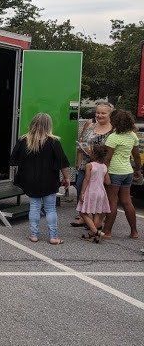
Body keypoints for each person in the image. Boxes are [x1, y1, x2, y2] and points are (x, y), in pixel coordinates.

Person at [9, 113, 70, 245]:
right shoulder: (54, 141)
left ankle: (33, 235)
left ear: (32, 124)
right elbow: (63, 163)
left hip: (30, 180)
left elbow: (13, 161)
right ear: (49, 125)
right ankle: (53, 237)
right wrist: (67, 178)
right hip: (49, 180)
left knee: (34, 207)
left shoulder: (23, 140)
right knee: (50, 209)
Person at [100, 110, 141, 239]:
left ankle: (107, 231)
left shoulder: (113, 137)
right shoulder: (132, 136)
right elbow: (136, 156)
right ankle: (134, 231)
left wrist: (103, 172)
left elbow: (107, 158)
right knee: (127, 201)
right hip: (127, 171)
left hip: (114, 171)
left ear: (116, 122)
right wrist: (138, 170)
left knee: (112, 201)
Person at [72, 101, 114, 227]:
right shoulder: (89, 125)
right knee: (81, 188)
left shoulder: (113, 130)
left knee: (99, 193)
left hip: (101, 167)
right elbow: (81, 142)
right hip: (85, 164)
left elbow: (111, 151)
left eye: (103, 113)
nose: (99, 115)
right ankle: (83, 216)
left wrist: (94, 154)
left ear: (109, 115)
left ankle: (97, 221)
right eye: (97, 112)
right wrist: (78, 161)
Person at [76, 145, 111, 242]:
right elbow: (108, 182)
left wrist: (82, 192)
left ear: (94, 155)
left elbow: (86, 179)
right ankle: (93, 235)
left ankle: (96, 232)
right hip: (101, 192)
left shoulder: (89, 165)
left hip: (91, 191)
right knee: (97, 213)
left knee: (82, 212)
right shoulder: (104, 166)